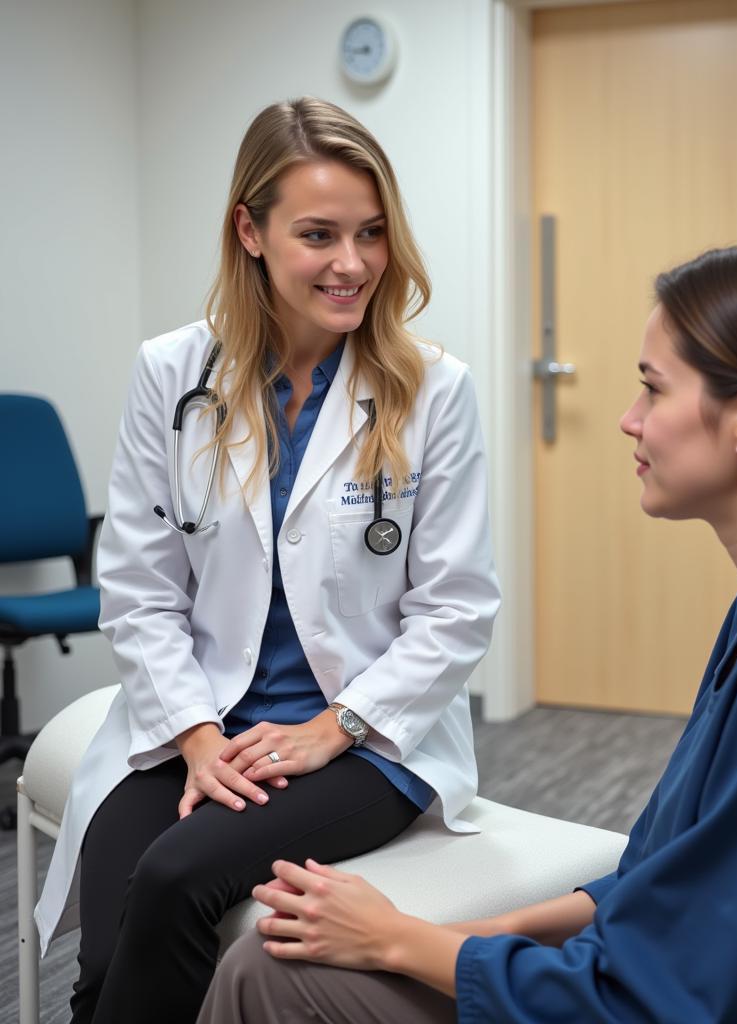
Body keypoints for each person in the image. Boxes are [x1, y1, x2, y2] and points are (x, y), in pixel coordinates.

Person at [199, 237, 737, 1023]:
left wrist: (401, 941)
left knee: (272, 980)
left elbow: (662, 1001)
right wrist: (451, 939)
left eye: (654, 389)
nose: (629, 420)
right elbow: (668, 872)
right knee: (287, 961)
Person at [33, 97, 501, 1023]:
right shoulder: (172, 374)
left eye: (372, 233)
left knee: (172, 879)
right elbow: (138, 590)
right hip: (195, 718)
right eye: (318, 234)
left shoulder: (433, 390)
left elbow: (457, 610)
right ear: (248, 229)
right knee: (109, 941)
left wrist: (334, 727)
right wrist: (201, 739)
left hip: (364, 741)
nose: (354, 263)